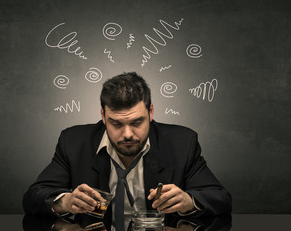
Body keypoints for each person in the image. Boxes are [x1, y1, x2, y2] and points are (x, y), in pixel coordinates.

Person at [22, 72, 232, 230]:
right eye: (116, 124)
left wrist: (188, 202)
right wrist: (65, 202)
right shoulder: (74, 142)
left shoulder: (182, 142)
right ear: (103, 117)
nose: (128, 134)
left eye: (137, 122)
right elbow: (33, 197)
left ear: (150, 112)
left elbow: (220, 198)